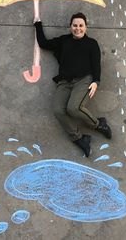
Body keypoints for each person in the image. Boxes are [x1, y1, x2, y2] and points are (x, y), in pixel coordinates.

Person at [34, 12, 112, 157]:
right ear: (70, 27)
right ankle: (80, 138)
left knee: (74, 108)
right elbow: (43, 43)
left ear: (85, 27)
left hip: (84, 80)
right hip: (64, 81)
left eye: (81, 25)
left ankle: (99, 124)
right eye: (75, 25)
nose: (78, 28)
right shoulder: (63, 41)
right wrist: (37, 24)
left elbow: (96, 64)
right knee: (58, 110)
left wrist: (96, 81)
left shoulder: (92, 43)